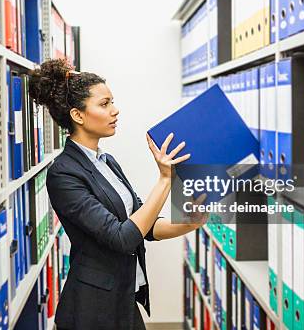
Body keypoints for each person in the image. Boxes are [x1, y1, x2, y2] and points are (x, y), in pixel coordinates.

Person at [28, 59, 207, 330]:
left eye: (112, 102)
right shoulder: (63, 174)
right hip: (92, 310)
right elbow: (122, 238)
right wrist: (165, 179)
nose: (115, 110)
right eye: (105, 104)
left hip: (125, 299)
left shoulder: (107, 161)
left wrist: (189, 223)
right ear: (78, 115)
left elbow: (143, 225)